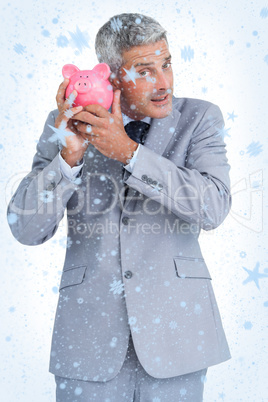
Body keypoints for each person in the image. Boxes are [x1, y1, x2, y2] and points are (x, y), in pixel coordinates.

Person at [7, 13, 232, 402]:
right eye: (144, 71)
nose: (163, 82)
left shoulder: (200, 119)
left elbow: (213, 206)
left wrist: (129, 153)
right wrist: (68, 161)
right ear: (110, 77)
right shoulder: (64, 124)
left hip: (177, 337)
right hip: (87, 340)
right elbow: (25, 229)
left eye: (166, 65)